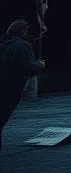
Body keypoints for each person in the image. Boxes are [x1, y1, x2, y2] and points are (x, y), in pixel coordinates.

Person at [0, 19, 46, 150]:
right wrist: (40, 65)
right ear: (23, 31)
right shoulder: (23, 46)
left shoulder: (3, 45)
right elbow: (29, 68)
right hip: (9, 89)